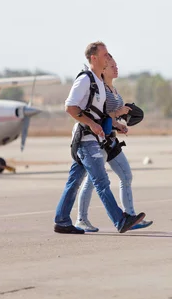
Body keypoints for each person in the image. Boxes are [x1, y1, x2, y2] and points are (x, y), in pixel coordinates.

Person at [54, 41, 145, 234]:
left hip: (93, 139)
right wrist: (92, 124)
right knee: (101, 182)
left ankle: (62, 220)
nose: (108, 57)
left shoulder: (99, 84)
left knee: (74, 182)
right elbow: (70, 107)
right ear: (93, 58)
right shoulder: (86, 79)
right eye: (105, 55)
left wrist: (117, 125)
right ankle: (120, 220)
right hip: (85, 140)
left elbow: (101, 115)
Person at [75, 57, 153, 232]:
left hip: (111, 140)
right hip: (98, 141)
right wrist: (119, 112)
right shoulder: (101, 90)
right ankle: (81, 219)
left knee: (126, 175)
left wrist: (119, 124)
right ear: (103, 69)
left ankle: (131, 217)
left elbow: (111, 118)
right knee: (91, 181)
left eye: (116, 65)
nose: (116, 68)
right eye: (112, 66)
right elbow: (100, 116)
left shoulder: (113, 89)